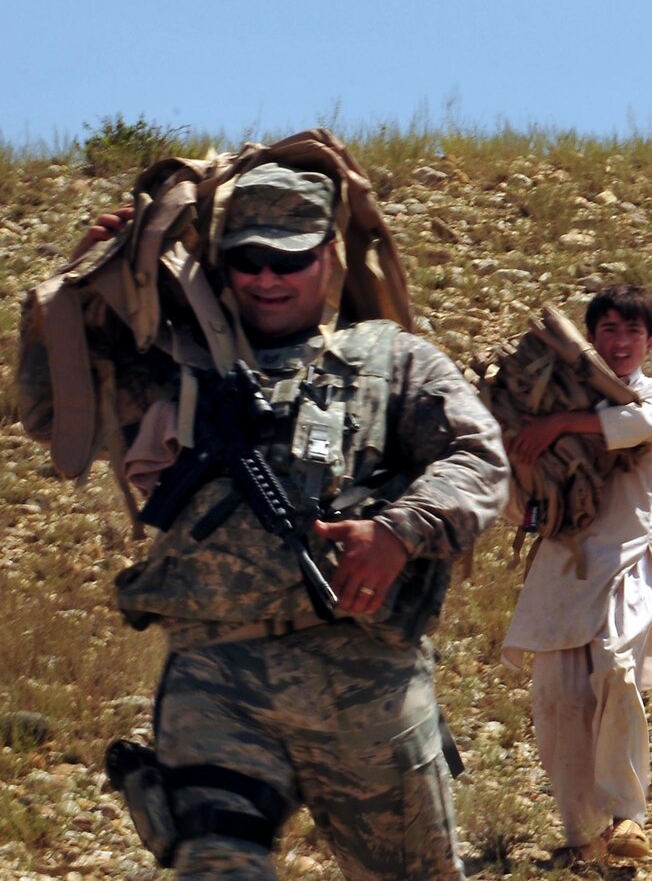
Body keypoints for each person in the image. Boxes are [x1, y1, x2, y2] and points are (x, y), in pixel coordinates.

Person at [23, 161, 508, 878]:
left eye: (290, 258)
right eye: (247, 259)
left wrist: (400, 531)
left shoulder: (393, 360)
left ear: (330, 258)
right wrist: (74, 289)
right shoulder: (170, 362)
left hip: (363, 679)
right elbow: (49, 415)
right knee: (218, 866)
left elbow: (481, 458)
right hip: (216, 679)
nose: (266, 277)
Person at [500, 284, 652, 863]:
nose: (621, 341)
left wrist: (563, 423)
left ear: (651, 342)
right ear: (591, 338)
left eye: (633, 332)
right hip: (566, 565)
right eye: (608, 330)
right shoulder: (553, 396)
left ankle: (627, 816)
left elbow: (650, 425)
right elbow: (520, 494)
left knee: (616, 670)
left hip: (631, 559)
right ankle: (581, 838)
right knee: (558, 698)